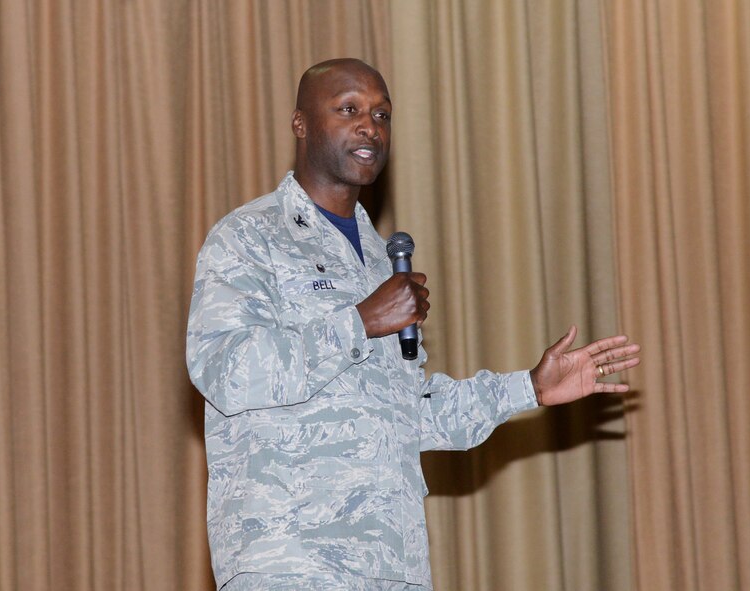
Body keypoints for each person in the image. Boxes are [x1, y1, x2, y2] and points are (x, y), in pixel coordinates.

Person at [186, 58, 640, 591]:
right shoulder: (249, 237)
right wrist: (359, 322)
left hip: (391, 562)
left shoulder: (378, 260)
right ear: (300, 123)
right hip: (289, 559)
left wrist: (529, 388)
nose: (369, 127)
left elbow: (402, 413)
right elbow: (223, 372)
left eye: (382, 114)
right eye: (348, 109)